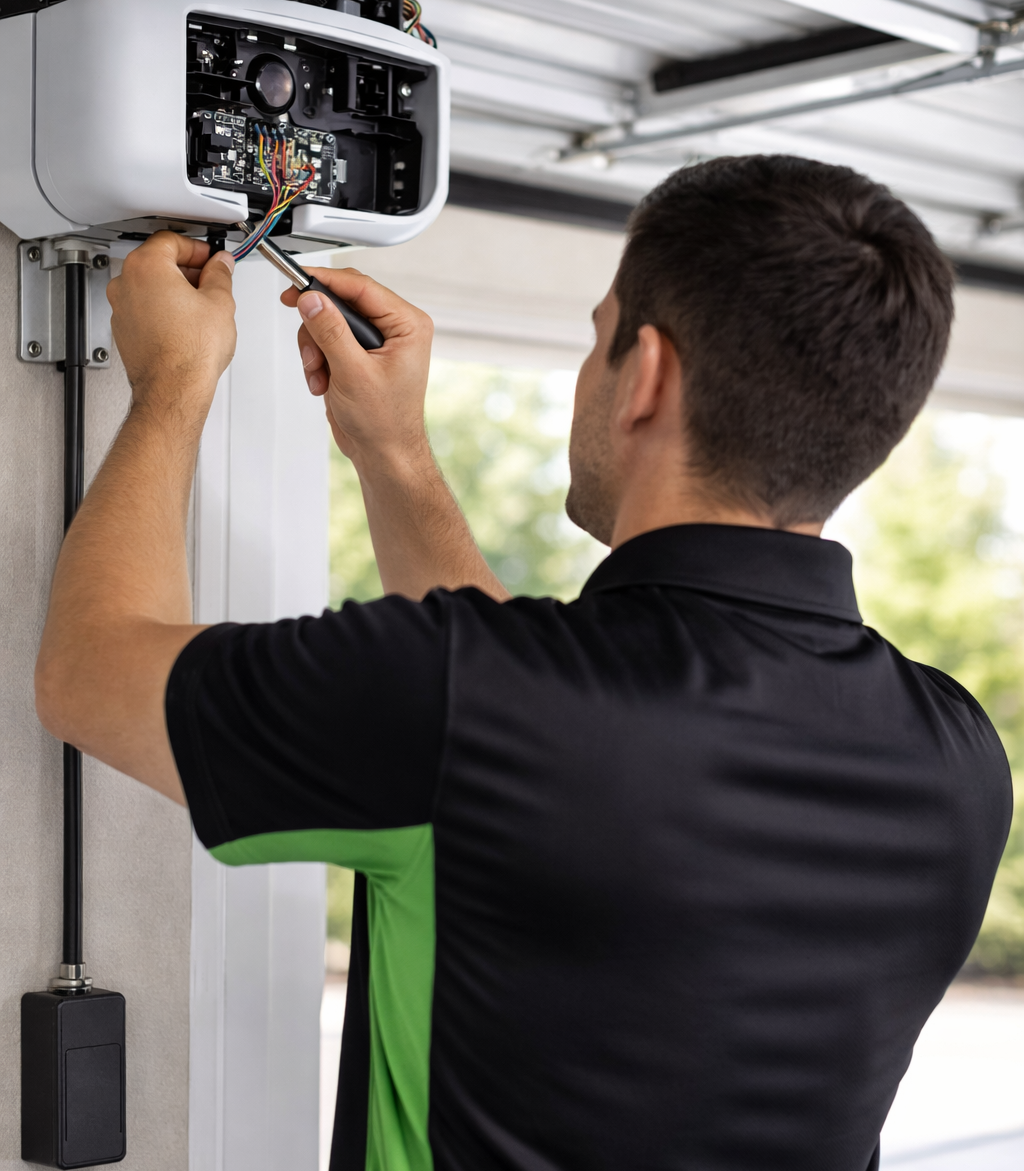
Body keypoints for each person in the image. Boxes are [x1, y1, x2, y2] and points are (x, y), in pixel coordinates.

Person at [36, 155, 1011, 1171]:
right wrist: (394, 453)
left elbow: (89, 671)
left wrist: (172, 384)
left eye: (596, 342)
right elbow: (551, 742)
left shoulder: (475, 700)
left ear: (646, 377)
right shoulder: (958, 760)